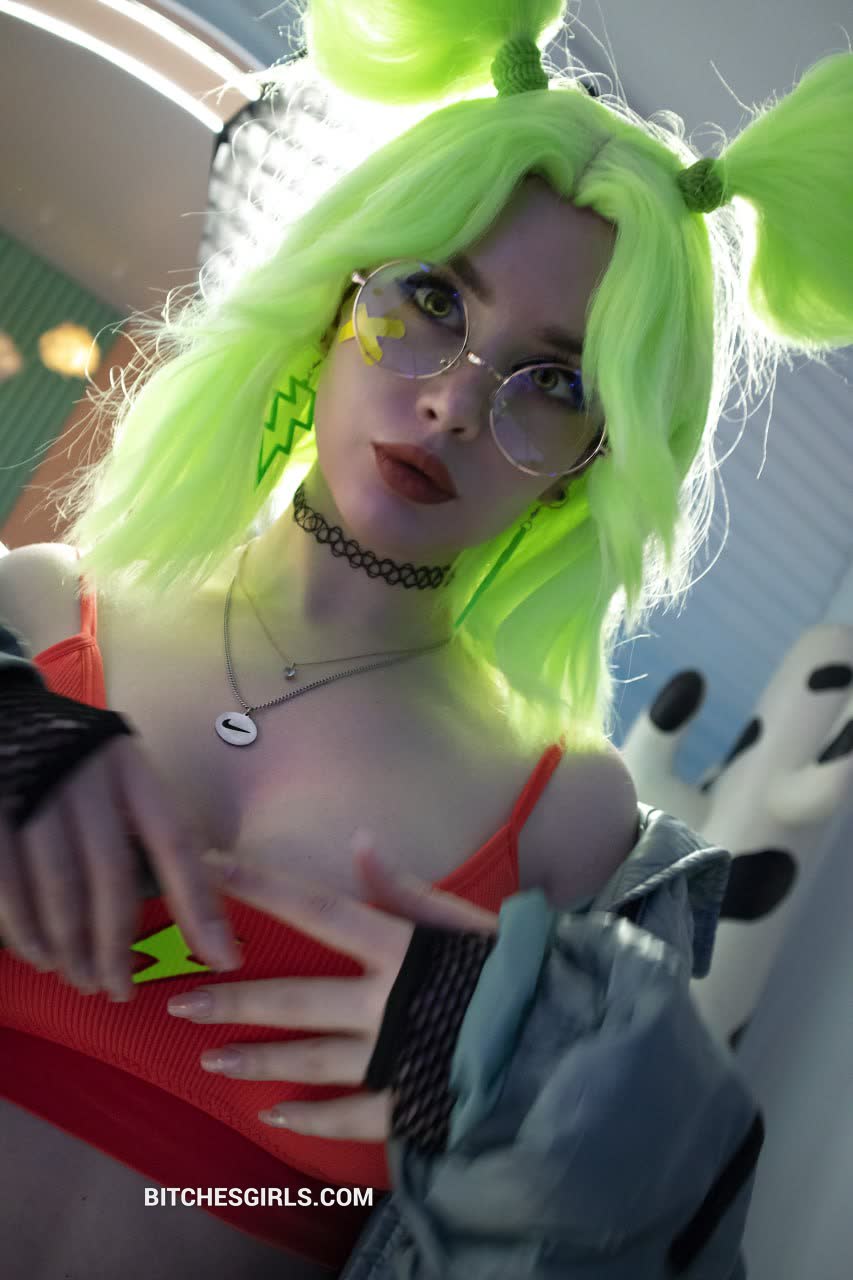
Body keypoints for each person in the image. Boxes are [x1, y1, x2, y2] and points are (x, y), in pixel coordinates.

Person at [1, 0, 851, 1275]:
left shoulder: (572, 821)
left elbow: (648, 1239)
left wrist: (538, 1090)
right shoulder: (35, 609)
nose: (455, 398)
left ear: (595, 464)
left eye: (555, 382)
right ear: (332, 298)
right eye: (432, 298)